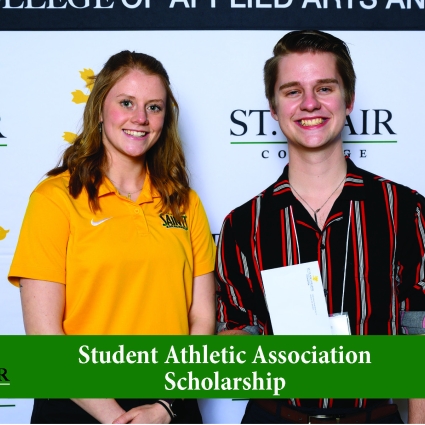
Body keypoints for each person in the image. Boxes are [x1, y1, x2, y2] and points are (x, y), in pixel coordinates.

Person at [215, 30, 425, 424]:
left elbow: (420, 336)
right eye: (292, 91)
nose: (309, 103)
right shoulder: (242, 224)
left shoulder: (405, 208)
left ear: (349, 100)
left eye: (324, 88)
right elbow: (241, 337)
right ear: (273, 107)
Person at [8, 50, 216, 424]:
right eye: (126, 103)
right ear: (100, 109)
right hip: (76, 403)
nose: (141, 118)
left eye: (154, 107)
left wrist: (164, 406)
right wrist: (117, 417)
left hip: (169, 405)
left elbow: (201, 319)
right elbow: (43, 336)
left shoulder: (186, 203)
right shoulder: (55, 199)